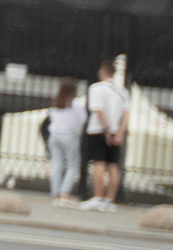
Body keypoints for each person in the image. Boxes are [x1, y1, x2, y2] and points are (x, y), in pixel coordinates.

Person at [85, 57, 132, 212]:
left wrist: (107, 130)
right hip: (117, 130)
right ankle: (110, 201)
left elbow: (99, 110)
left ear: (102, 72)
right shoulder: (123, 91)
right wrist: (119, 133)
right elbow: (126, 115)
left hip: (99, 130)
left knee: (98, 163)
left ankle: (97, 197)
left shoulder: (96, 88)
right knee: (113, 166)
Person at [43, 81, 83, 206]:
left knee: (56, 164)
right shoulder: (75, 104)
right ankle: (64, 193)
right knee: (73, 165)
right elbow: (82, 120)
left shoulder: (55, 103)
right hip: (69, 135)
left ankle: (55, 193)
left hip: (54, 136)